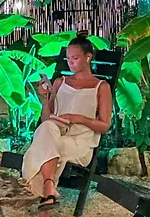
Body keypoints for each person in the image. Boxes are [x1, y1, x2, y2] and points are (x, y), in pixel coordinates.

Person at [22, 31, 113, 216]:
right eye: (68, 58)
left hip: (80, 143)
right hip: (56, 135)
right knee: (47, 129)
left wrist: (78, 118)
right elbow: (47, 119)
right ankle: (49, 190)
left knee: (42, 148)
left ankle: (46, 202)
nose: (70, 62)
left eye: (75, 58)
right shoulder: (59, 82)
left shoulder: (101, 87)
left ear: (88, 57)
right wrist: (45, 100)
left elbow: (104, 125)